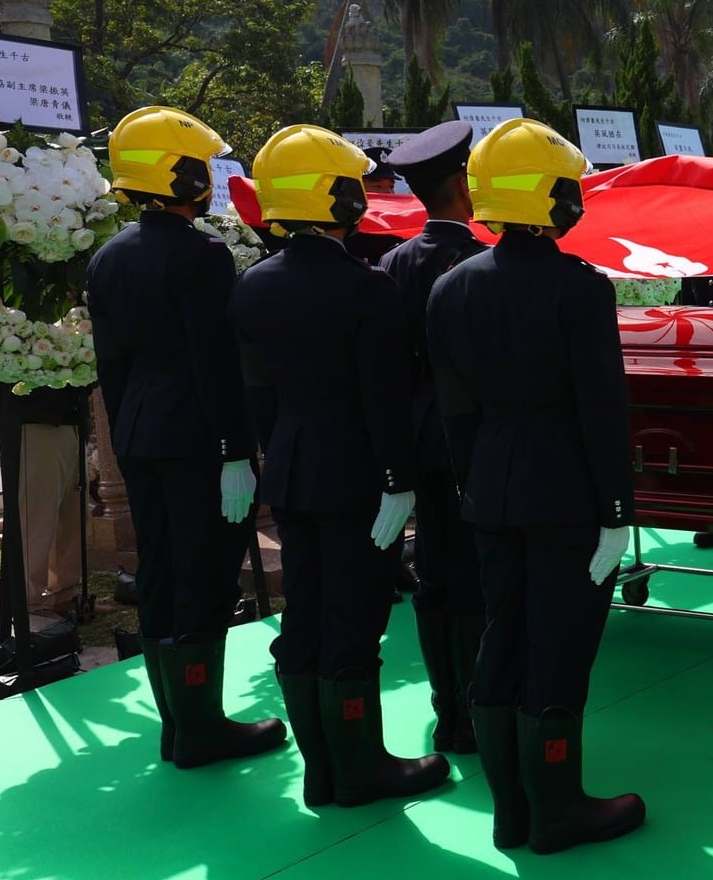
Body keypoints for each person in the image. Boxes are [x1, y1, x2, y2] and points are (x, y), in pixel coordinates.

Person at [427, 117, 646, 854]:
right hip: (566, 493)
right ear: (540, 192)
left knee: (501, 636)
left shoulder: (450, 288)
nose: (576, 196)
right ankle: (556, 810)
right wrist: (618, 509)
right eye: (566, 184)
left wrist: (475, 487)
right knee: (559, 643)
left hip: (490, 487)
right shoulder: (579, 288)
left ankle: (510, 812)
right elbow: (601, 408)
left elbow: (456, 412)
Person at [229, 125, 448, 809]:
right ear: (337, 198)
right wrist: (397, 478)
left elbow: (258, 394)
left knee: (307, 614)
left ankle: (322, 770)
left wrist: (279, 454)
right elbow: (381, 400)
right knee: (354, 617)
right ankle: (360, 769)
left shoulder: (253, 284)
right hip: (356, 473)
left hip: (292, 467)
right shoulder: (366, 288)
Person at [86, 105, 286, 769]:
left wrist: (127, 434)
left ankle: (179, 723)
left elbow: (111, 368)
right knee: (202, 574)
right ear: (174, 176)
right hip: (198, 435)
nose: (208, 180)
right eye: (199, 167)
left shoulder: (108, 256)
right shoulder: (201, 254)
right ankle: (202, 729)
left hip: (141, 430)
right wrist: (237, 448)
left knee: (162, 573)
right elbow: (215, 362)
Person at [376, 120, 489, 755]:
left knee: (435, 571)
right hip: (469, 438)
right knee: (472, 574)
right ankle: (474, 708)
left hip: (419, 435)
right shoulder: (477, 264)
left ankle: (448, 708)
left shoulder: (392, 262)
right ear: (462, 186)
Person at [0, 377, 89, 622]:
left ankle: (65, 593)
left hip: (69, 419)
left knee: (72, 516)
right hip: (31, 419)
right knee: (36, 519)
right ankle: (29, 602)